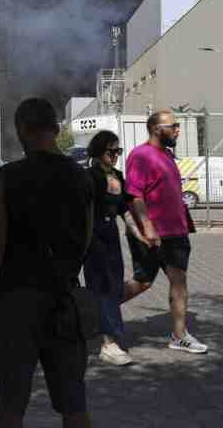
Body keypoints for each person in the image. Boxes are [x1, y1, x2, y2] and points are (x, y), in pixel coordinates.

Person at [0, 97, 94, 428]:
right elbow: (87, 237)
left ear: (22, 131)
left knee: (12, 406)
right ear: (55, 128)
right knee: (74, 405)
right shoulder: (82, 178)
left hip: (15, 302)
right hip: (64, 300)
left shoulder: (8, 177)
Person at [123, 109, 208, 354]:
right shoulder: (141, 155)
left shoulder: (168, 155)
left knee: (179, 281)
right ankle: (98, 314)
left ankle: (179, 335)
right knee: (142, 282)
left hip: (176, 233)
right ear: (156, 128)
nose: (177, 130)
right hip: (152, 234)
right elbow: (135, 195)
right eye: (173, 126)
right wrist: (148, 228)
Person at [83, 131, 134, 366]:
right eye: (110, 151)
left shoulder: (119, 177)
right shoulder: (89, 177)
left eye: (118, 151)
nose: (115, 156)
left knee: (113, 286)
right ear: (98, 152)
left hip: (111, 235)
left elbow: (124, 208)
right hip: (93, 237)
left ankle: (105, 334)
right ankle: (108, 343)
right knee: (102, 287)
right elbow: (84, 211)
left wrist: (138, 231)